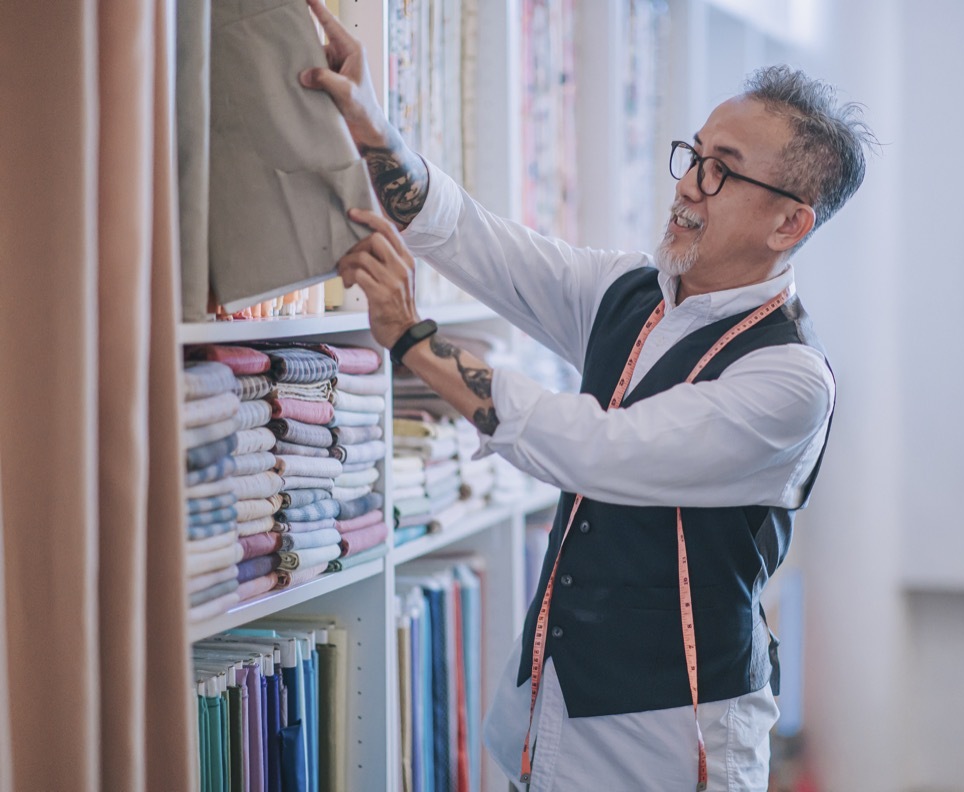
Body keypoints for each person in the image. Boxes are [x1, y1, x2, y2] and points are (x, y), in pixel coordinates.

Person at [299, 1, 873, 787]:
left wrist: (413, 342)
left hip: (673, 742)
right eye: (693, 153)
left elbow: (597, 450)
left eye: (721, 168)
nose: (689, 186)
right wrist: (368, 121)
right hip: (550, 709)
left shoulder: (790, 380)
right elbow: (469, 235)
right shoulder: (628, 291)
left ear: (788, 225)